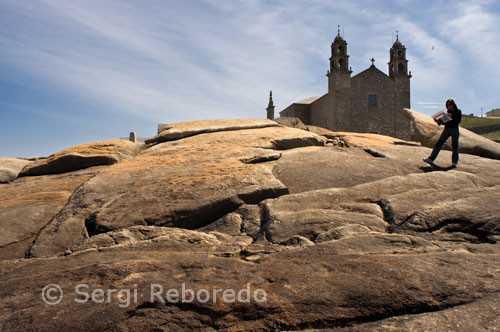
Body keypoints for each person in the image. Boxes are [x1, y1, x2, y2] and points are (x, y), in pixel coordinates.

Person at [423, 98, 462, 168]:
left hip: (454, 129)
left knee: (455, 146)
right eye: (447, 105)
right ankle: (431, 159)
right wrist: (437, 121)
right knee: (439, 143)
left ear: (453, 104)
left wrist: (452, 116)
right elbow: (444, 122)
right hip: (447, 129)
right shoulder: (446, 112)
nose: (449, 106)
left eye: (450, 104)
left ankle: (454, 162)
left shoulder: (458, 111)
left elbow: (458, 120)